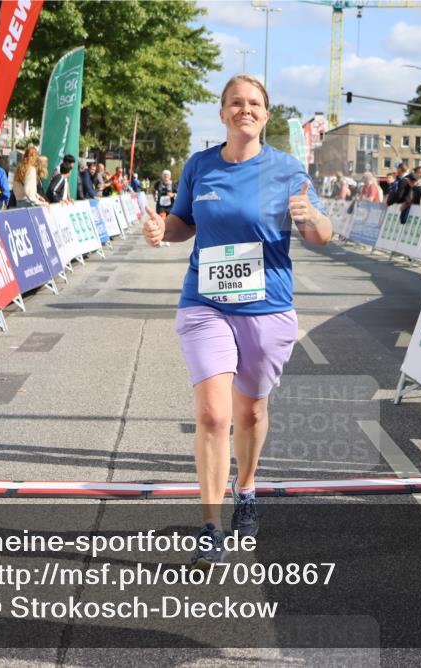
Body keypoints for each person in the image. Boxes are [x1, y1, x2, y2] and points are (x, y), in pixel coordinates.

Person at [141, 74, 332, 568]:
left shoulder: (288, 169)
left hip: (267, 306)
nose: (244, 109)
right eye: (235, 103)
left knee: (249, 413)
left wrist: (310, 216)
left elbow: (322, 235)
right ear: (222, 112)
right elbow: (185, 224)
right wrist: (165, 228)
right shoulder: (200, 166)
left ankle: (245, 487)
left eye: (254, 104)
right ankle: (210, 523)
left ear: (265, 116)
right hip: (205, 302)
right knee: (213, 414)